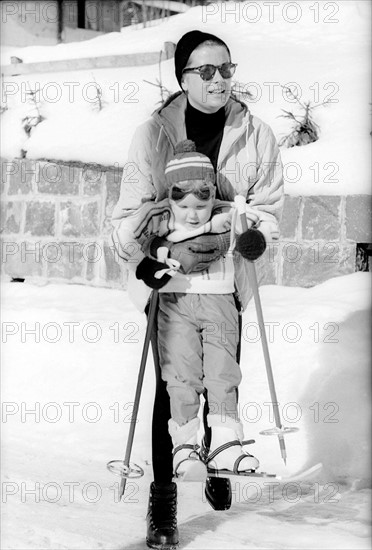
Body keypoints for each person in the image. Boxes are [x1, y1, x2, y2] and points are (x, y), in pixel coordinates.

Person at [111, 30, 283, 550]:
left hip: (226, 282)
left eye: (226, 69)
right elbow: (127, 218)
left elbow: (268, 210)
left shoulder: (257, 135)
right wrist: (150, 261)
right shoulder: (152, 135)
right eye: (205, 71)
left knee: (223, 373)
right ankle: (163, 501)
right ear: (182, 78)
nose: (219, 80)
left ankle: (218, 457)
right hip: (170, 281)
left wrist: (253, 241)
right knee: (173, 384)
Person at [115, 140, 269, 480]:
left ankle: (225, 445)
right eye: (183, 205)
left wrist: (253, 243)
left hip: (220, 300)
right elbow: (124, 240)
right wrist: (144, 266)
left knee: (223, 373)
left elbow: (256, 235)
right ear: (170, 199)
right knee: (180, 375)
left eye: (202, 203)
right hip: (174, 302)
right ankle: (184, 447)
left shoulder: (229, 216)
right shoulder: (157, 221)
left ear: (212, 195)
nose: (193, 213)